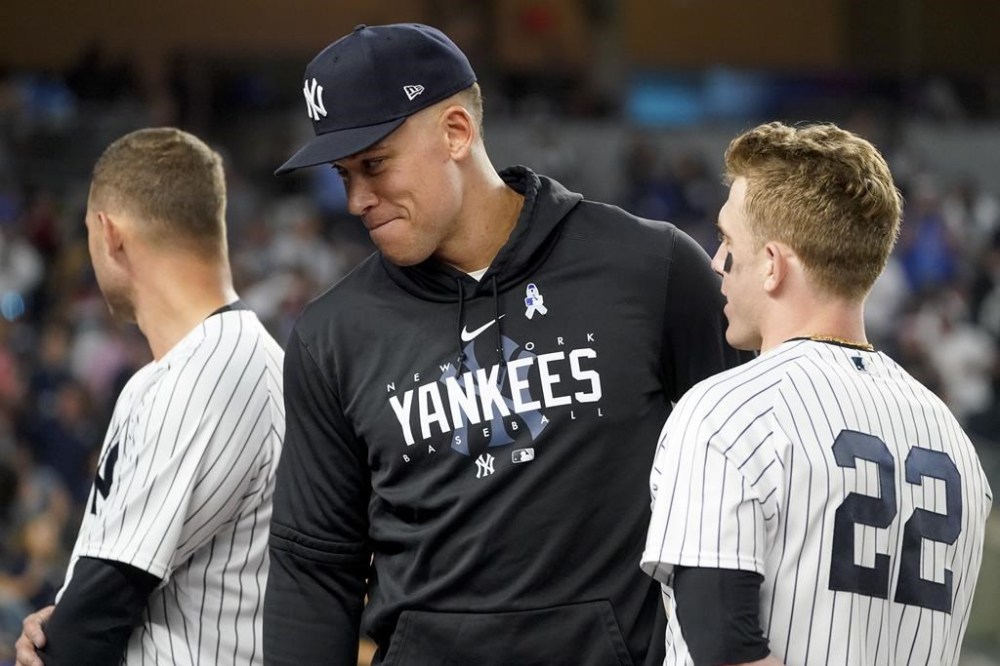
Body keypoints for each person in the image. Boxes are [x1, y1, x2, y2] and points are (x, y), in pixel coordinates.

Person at [264, 22, 749, 666]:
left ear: (457, 132)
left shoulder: (651, 269)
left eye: (374, 165)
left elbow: (744, 492)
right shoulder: (332, 334)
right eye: (343, 173)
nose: (356, 199)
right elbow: (314, 571)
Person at [641, 121, 994, 665]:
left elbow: (724, 651)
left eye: (729, 242)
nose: (716, 261)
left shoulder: (726, 412)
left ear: (774, 266)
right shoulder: (951, 436)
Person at [14, 127, 285, 666]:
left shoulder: (211, 371)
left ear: (109, 233)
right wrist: (62, 619)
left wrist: (64, 632)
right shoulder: (192, 365)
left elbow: (102, 605)